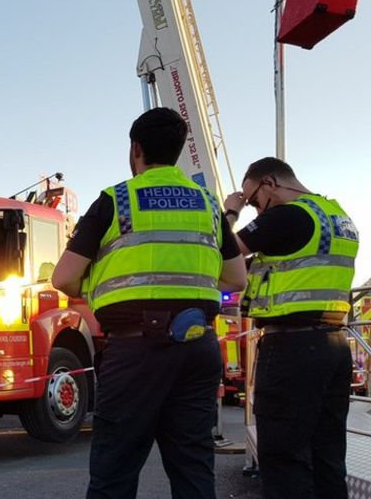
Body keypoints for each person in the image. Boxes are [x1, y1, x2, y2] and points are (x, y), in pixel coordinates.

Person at [51, 107, 246, 499]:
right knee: (193, 468)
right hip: (197, 347)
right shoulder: (208, 205)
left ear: (135, 149)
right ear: (178, 149)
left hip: (135, 349)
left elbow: (63, 278)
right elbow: (237, 278)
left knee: (114, 471)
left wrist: (103, 287)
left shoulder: (116, 200)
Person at [222, 157, 358, 499]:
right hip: (334, 345)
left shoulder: (287, 216)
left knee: (283, 458)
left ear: (270, 183)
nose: (256, 210)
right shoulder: (337, 217)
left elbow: (220, 252)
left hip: (291, 349)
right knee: (328, 457)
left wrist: (231, 211)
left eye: (254, 201)